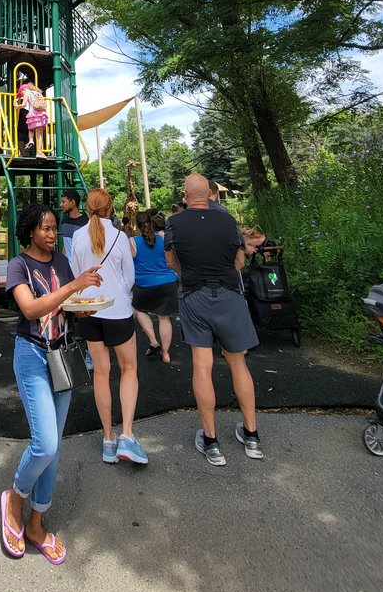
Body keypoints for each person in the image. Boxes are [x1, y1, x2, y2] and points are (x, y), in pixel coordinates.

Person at [1, 202, 103, 564]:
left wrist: (84, 306)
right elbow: (30, 309)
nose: (50, 234)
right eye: (44, 228)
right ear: (30, 230)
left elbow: (66, 304)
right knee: (44, 445)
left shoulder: (61, 261)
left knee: (55, 447)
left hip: (62, 354)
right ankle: (15, 496)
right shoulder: (19, 265)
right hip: (32, 355)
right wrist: (75, 284)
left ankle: (37, 522)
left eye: (53, 228)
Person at [164, 173, 263, 466]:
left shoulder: (174, 223)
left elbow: (171, 263)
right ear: (209, 193)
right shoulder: (228, 221)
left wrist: (190, 275)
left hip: (194, 296)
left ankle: (211, 441)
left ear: (185, 194)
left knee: (202, 366)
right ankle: (252, 435)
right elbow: (240, 260)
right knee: (238, 363)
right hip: (230, 296)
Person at [70, 187, 147, 466]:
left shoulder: (78, 237)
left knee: (101, 373)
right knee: (128, 368)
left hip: (90, 311)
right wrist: (120, 294)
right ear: (110, 208)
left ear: (88, 206)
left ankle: (108, 438)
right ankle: (127, 434)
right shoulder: (120, 236)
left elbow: (75, 274)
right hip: (116, 311)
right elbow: (129, 277)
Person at [131, 211, 178, 362]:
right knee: (164, 319)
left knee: (139, 310)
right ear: (151, 222)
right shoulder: (163, 237)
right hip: (167, 282)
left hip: (144, 284)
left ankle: (153, 341)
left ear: (137, 225)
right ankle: (166, 353)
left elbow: (128, 264)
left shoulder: (132, 241)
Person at [14, 74, 50, 157]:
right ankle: (39, 152)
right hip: (41, 114)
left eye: (21, 93)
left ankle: (31, 141)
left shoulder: (27, 93)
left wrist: (16, 106)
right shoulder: (37, 92)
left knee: (31, 130)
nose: (22, 94)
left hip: (34, 113)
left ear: (24, 89)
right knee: (40, 134)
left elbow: (23, 105)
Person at [58, 188, 88, 262]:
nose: (60, 205)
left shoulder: (86, 223)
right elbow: (66, 245)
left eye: (63, 202)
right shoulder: (64, 222)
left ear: (73, 203)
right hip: (67, 268)